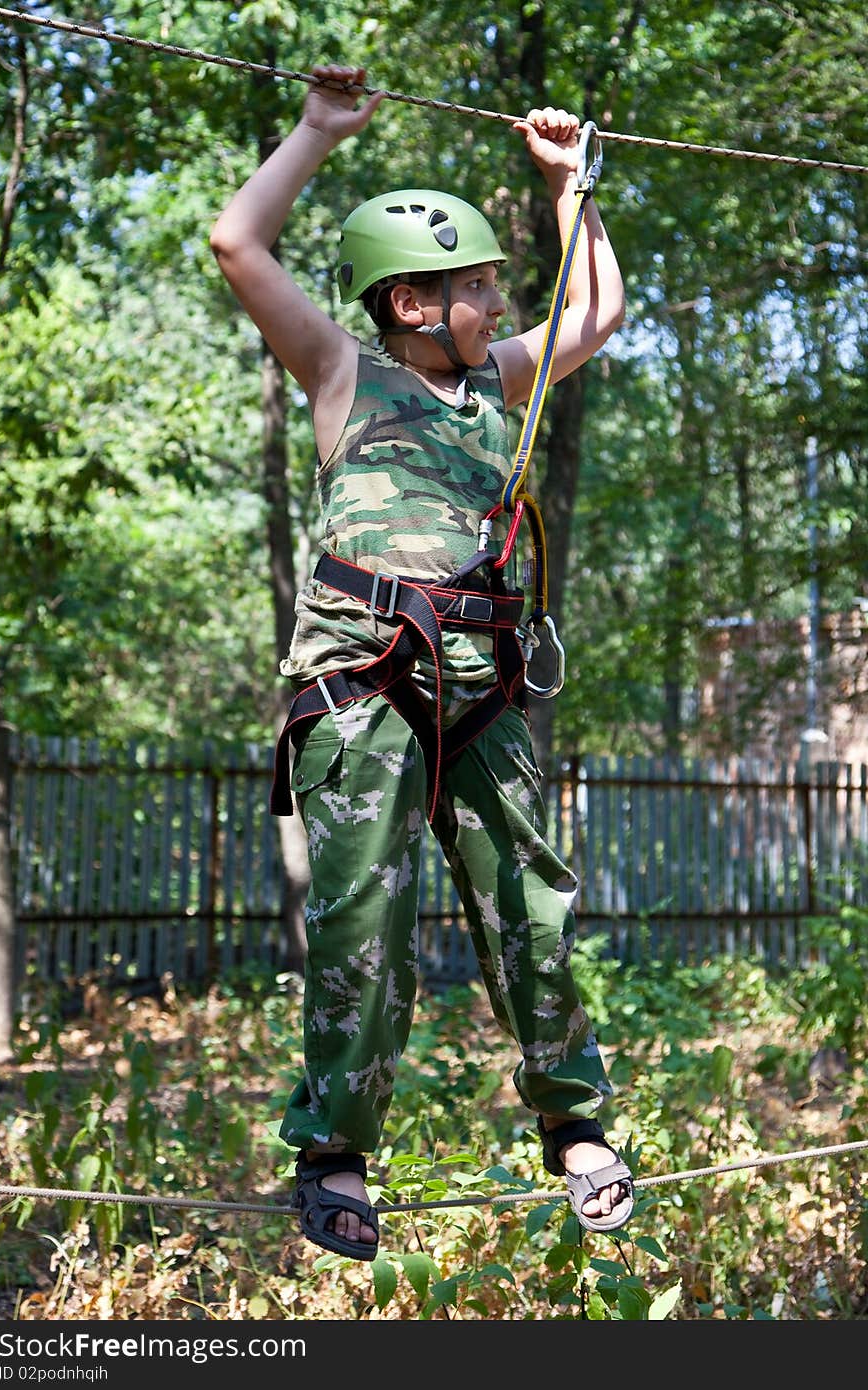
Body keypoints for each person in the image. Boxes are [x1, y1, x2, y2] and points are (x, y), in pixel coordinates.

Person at [210, 62, 633, 1261]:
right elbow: (239, 243)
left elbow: (594, 315)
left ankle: (576, 1128)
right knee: (361, 921)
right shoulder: (347, 374)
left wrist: (568, 186)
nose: (500, 305)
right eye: (477, 287)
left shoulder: (496, 384)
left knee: (531, 908)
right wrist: (315, 130)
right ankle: (336, 1154)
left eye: (500, 285)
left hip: (486, 684)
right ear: (408, 304)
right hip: (362, 682)